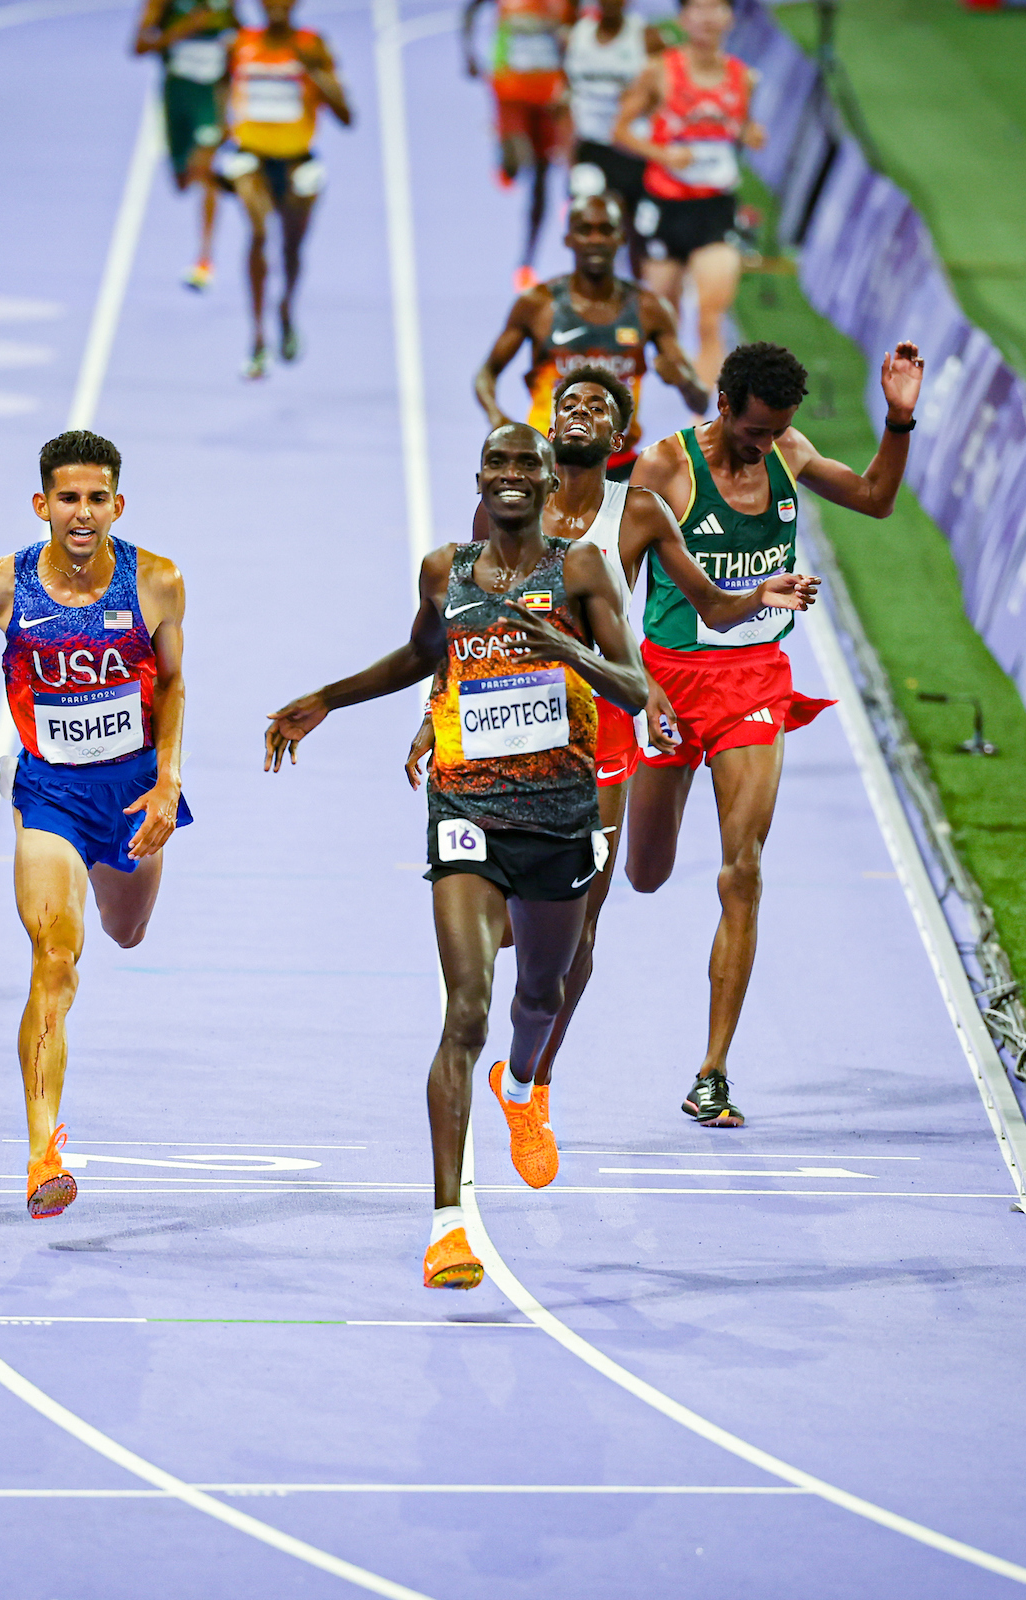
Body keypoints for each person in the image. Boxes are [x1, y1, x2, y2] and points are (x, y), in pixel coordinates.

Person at [266, 425, 651, 1289]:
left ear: (552, 483)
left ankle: (523, 1089)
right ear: (482, 478)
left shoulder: (582, 571)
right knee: (465, 1008)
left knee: (542, 990)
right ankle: (447, 1225)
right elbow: (421, 655)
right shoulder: (446, 571)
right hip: (466, 809)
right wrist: (326, 699)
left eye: (528, 466)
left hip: (558, 814)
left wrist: (571, 653)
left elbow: (635, 688)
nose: (513, 476)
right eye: (499, 464)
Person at [414, 370, 817, 1138]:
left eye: (598, 406)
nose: (580, 412)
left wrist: (762, 594)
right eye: (569, 402)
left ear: (618, 436)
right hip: (501, 721)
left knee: (581, 927)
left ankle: (533, 1086)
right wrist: (436, 713)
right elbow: (466, 612)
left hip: (596, 727)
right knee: (501, 920)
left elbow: (709, 604)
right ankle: (511, 1004)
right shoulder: (505, 500)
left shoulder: (640, 510)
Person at [627, 338, 922, 1126]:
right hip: (668, 677)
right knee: (644, 873)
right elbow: (609, 595)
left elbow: (874, 498)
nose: (765, 449)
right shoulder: (664, 470)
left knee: (742, 870)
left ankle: (713, 1071)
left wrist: (898, 421)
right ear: (724, 406)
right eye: (755, 433)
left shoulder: (787, 451)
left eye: (777, 432)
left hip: (753, 683)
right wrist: (643, 685)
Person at [0, 431, 191, 1220]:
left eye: (97, 498)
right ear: (43, 504)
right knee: (55, 956)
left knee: (127, 931)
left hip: (134, 789)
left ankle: (126, 870)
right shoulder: (0, 584)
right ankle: (42, 1148)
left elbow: (174, 682)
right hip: (48, 791)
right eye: (68, 499)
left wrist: (168, 778)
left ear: (118, 504)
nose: (83, 513)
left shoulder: (156, 581)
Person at [473, 192, 706, 482]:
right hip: (549, 462)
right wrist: (499, 419)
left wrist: (683, 382)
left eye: (606, 230)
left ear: (621, 237)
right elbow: (486, 374)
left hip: (618, 467)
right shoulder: (538, 305)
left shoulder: (650, 309)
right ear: (569, 239)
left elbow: (701, 401)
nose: (596, 240)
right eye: (585, 230)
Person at [610, 0, 762, 389]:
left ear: (730, 17)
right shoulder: (659, 72)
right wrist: (664, 154)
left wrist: (749, 134)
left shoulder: (743, 78)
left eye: (717, 8)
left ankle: (705, 414)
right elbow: (621, 131)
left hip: (716, 210)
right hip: (665, 209)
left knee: (711, 316)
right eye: (699, 8)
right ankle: (658, 384)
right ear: (683, 18)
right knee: (660, 319)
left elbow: (740, 127)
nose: (709, 17)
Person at [218, 0, 351, 380]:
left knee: (292, 250)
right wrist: (220, 128)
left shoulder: (313, 44)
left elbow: (346, 115)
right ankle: (258, 337)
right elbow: (223, 87)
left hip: (298, 162)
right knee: (258, 234)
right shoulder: (240, 43)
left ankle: (286, 310)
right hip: (251, 159)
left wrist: (315, 74)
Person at [463, 0, 575, 292]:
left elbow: (575, 36)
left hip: (548, 95)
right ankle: (504, 156)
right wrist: (469, 52)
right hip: (510, 87)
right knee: (517, 160)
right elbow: (471, 9)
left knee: (542, 180)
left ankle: (526, 261)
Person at [134, 0, 239, 291]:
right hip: (177, 94)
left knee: (204, 169)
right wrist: (183, 29)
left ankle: (204, 260)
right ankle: (224, 181)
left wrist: (230, 109)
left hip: (209, 97)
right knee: (182, 181)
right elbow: (139, 46)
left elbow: (239, 46)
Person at [563, 0, 661, 280]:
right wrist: (568, 150)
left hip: (632, 149)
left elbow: (666, 93)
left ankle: (639, 305)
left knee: (636, 235)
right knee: (590, 230)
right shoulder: (577, 36)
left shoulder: (647, 37)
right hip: (592, 147)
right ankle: (593, 304)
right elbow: (568, 93)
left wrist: (639, 102)